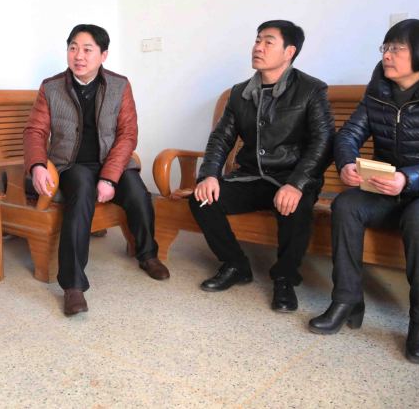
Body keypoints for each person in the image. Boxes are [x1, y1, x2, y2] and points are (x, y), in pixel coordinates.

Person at [309, 19, 419, 363]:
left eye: (397, 48)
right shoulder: (378, 93)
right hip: (390, 189)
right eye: (385, 47)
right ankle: (346, 301)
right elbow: (349, 135)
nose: (387, 55)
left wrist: (407, 178)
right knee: (346, 205)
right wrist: (347, 164)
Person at [23, 24, 170, 316]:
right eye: (73, 48)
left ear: (103, 55)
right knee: (81, 194)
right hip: (71, 164)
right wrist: (38, 165)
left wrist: (109, 178)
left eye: (87, 49)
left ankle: (147, 255)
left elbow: (128, 134)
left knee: (138, 193)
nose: (78, 56)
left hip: (111, 162)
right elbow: (35, 131)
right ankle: (73, 286)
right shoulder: (51, 87)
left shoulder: (119, 85)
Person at [189, 20, 334, 312]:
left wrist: (297, 184)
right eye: (257, 40)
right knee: (202, 199)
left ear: (289, 52)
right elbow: (221, 138)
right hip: (251, 176)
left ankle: (285, 278)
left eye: (268, 42)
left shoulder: (310, 89)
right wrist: (209, 175)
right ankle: (235, 265)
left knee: (296, 207)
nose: (258, 47)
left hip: (291, 177)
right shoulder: (240, 93)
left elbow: (324, 142)